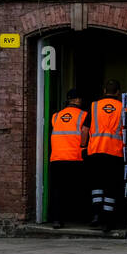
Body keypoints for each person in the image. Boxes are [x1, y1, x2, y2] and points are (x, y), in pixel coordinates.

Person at [86, 80, 125, 232]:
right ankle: (107, 222)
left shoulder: (94, 106)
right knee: (111, 186)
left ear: (104, 90)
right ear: (118, 92)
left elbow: (84, 129)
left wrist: (84, 147)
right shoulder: (122, 107)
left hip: (95, 151)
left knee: (97, 184)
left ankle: (96, 215)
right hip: (114, 152)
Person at [48, 89, 88, 228]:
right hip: (75, 157)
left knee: (58, 190)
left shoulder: (56, 116)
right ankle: (79, 217)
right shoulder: (84, 115)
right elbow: (85, 132)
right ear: (77, 100)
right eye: (80, 99)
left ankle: (57, 220)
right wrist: (84, 148)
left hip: (57, 158)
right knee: (77, 189)